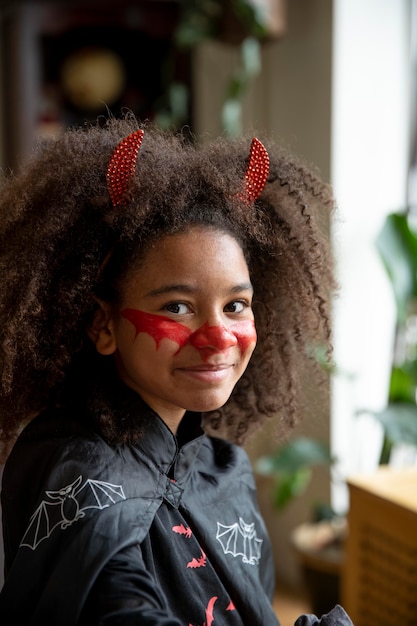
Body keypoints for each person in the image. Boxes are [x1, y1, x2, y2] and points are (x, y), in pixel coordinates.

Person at [0, 116, 352, 625]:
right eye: (176, 308)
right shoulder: (75, 473)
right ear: (104, 324)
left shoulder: (224, 470)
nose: (217, 338)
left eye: (235, 306)